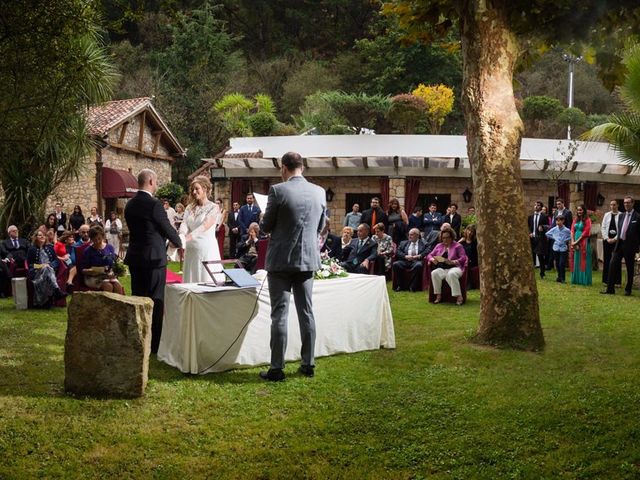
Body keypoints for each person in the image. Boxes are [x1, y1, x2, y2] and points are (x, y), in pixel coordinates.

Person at [259, 151, 326, 382]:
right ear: (302, 168)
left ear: (283, 168)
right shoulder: (319, 192)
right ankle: (308, 364)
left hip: (280, 261)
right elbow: (320, 226)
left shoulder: (278, 190)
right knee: (306, 312)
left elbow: (266, 226)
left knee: (280, 314)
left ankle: (277, 368)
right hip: (307, 259)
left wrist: (262, 218)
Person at [124, 169, 182, 354]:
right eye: (156, 182)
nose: (156, 185)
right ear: (150, 181)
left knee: (138, 298)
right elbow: (167, 228)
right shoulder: (154, 205)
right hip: (154, 259)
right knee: (156, 302)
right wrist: (179, 241)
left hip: (135, 258)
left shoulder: (130, 205)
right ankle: (154, 344)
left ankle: (138, 338)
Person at [179, 176, 222, 283]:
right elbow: (184, 223)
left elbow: (204, 227)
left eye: (197, 189)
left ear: (205, 189)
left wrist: (186, 239)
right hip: (191, 250)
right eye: (192, 189)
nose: (194, 192)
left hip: (206, 249)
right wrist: (181, 236)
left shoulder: (214, 208)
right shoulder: (189, 207)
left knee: (205, 281)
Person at [603, 195, 640, 296]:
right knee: (612, 264)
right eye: (625, 203)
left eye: (628, 202)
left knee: (629, 268)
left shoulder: (637, 217)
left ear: (633, 203)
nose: (626, 204)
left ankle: (628, 290)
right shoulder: (621, 215)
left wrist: (638, 250)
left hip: (630, 247)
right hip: (619, 245)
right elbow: (620, 231)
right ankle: (610, 289)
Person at [427, 227, 468, 305]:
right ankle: (438, 296)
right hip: (443, 268)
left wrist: (452, 262)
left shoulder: (458, 246)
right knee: (434, 273)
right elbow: (429, 255)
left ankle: (459, 297)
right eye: (443, 238)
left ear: (452, 237)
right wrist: (432, 259)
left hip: (455, 268)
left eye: (447, 237)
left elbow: (463, 258)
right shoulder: (439, 246)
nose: (445, 240)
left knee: (451, 274)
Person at [26, 230, 66, 308]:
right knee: (46, 268)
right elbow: (30, 265)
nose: (42, 237)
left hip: (51, 270)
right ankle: (56, 290)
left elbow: (56, 261)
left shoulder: (50, 248)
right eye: (40, 235)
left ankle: (49, 299)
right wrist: (41, 266)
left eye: (44, 235)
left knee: (47, 268)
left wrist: (49, 265)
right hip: (37, 272)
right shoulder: (31, 249)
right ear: (36, 238)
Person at [80, 225, 125, 294]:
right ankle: (106, 304)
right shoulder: (88, 251)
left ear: (103, 237)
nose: (97, 241)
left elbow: (113, 264)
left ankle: (117, 304)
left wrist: (115, 271)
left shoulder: (110, 248)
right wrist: (90, 271)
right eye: (94, 240)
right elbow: (82, 270)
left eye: (99, 239)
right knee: (108, 286)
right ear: (91, 239)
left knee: (117, 286)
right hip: (93, 277)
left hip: (108, 276)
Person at [570, 205, 592, 286]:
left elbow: (586, 232)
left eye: (581, 210)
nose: (579, 212)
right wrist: (572, 241)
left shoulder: (587, 220)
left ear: (584, 211)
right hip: (575, 239)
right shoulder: (575, 219)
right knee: (576, 259)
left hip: (583, 241)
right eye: (578, 210)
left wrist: (576, 242)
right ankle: (576, 279)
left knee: (583, 259)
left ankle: (583, 279)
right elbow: (572, 230)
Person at [545, 215, 571, 283]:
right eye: (557, 220)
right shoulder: (554, 229)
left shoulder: (566, 230)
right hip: (556, 248)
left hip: (563, 248)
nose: (558, 222)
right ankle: (559, 277)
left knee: (561, 263)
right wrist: (554, 237)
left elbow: (571, 236)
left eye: (559, 220)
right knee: (557, 263)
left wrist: (566, 240)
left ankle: (563, 278)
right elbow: (547, 234)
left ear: (563, 221)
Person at [601, 200, 621, 286]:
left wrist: (615, 239)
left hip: (617, 241)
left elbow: (621, 228)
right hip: (607, 241)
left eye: (614, 205)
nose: (612, 206)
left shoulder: (621, 215)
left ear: (618, 205)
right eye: (611, 205)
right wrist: (607, 238)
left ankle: (617, 281)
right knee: (607, 259)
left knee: (616, 260)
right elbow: (603, 227)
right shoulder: (606, 215)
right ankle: (606, 280)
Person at [528, 201, 548, 279]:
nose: (536, 206)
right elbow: (529, 226)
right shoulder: (530, 217)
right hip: (532, 238)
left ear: (541, 207)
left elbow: (548, 226)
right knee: (532, 255)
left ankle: (542, 272)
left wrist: (542, 226)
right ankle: (531, 273)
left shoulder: (544, 216)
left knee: (540, 255)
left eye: (538, 205)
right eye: (535, 205)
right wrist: (530, 233)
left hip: (540, 238)